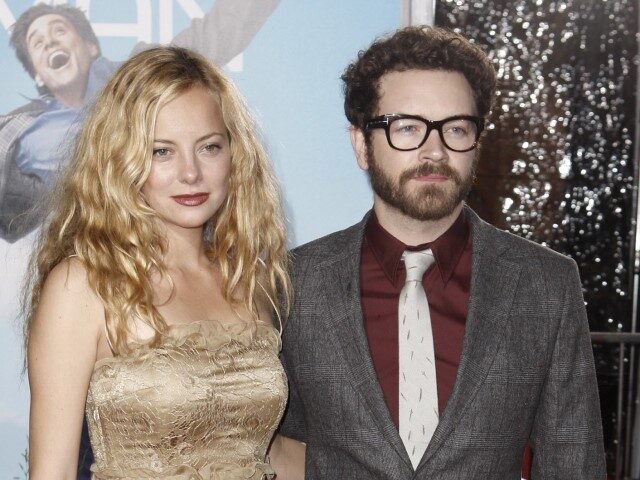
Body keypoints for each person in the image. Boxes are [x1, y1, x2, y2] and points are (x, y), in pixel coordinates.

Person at [279, 26, 606, 478]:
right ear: (361, 144)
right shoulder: (293, 283)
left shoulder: (545, 284)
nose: (434, 151)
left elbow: (574, 464)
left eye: (456, 128)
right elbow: (271, 446)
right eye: (408, 127)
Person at [25, 46, 304, 479]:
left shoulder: (251, 280)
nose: (190, 173)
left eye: (209, 147)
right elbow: (52, 472)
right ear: (122, 159)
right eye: (162, 152)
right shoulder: (83, 285)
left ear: (235, 154)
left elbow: (267, 455)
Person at [0, 0, 279, 242]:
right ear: (36, 72)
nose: (50, 41)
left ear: (90, 46)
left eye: (59, 30)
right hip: (99, 254)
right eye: (37, 42)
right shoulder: (22, 134)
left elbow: (219, 31)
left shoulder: (145, 79)